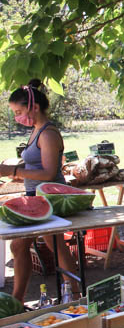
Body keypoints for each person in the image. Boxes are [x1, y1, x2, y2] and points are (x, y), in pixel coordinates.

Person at [0, 80, 78, 303]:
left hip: (50, 198)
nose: (17, 117)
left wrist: (14, 170)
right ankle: (19, 299)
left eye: (19, 111)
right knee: (29, 244)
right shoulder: (36, 130)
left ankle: (74, 294)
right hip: (36, 199)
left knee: (54, 246)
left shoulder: (48, 134)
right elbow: (35, 167)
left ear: (33, 107)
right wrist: (16, 173)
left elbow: (48, 173)